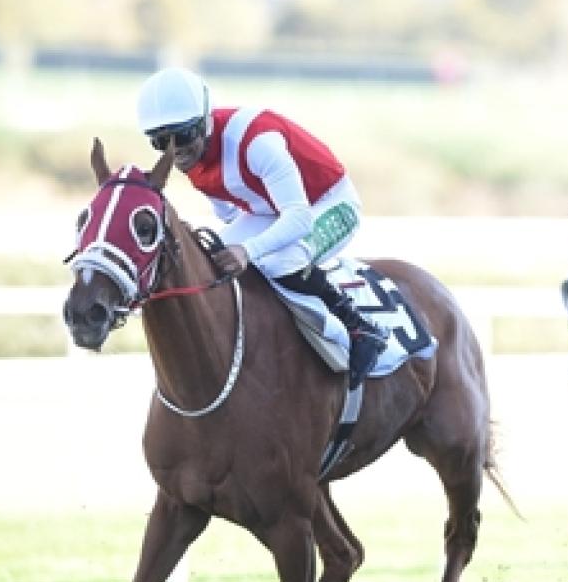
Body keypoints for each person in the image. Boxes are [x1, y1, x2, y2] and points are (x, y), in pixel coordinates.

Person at [135, 67, 387, 387]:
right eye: (160, 141)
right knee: (210, 260)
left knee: (281, 260)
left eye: (182, 136)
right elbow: (229, 215)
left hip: (327, 203)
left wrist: (249, 249)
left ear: (204, 124)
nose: (176, 151)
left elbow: (299, 218)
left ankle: (360, 327)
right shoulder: (190, 154)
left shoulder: (257, 142)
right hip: (270, 210)